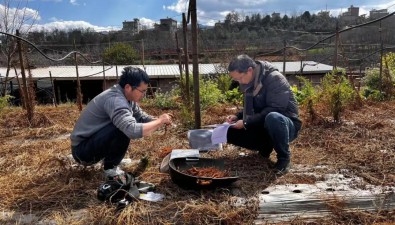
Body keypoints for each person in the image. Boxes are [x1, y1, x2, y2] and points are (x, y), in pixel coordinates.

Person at [70, 66, 172, 181]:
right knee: (121, 128)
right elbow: (132, 130)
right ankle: (110, 168)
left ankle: (112, 160)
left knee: (123, 124)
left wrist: (159, 119)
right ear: (128, 87)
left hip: (91, 142)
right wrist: (160, 121)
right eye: (142, 91)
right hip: (82, 151)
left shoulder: (126, 97)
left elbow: (141, 117)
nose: (144, 94)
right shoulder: (116, 100)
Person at [225, 54, 302, 175]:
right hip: (265, 123)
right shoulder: (248, 82)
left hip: (285, 125)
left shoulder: (275, 79)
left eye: (239, 78)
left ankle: (284, 158)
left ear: (249, 70)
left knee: (273, 117)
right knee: (228, 131)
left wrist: (246, 122)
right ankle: (265, 147)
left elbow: (275, 109)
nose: (239, 82)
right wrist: (238, 116)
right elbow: (250, 109)